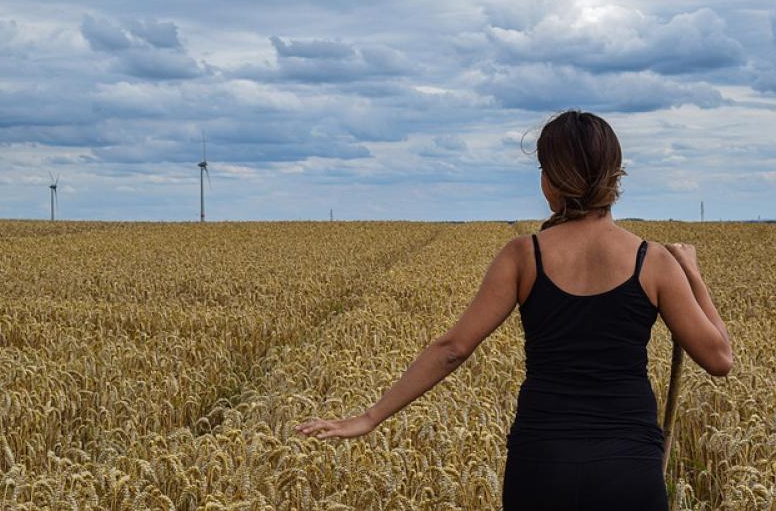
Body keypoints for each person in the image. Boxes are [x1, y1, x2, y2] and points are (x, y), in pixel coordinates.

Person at [294, 109, 733, 510]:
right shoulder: (652, 260)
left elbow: (452, 348)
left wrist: (369, 418)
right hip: (629, 467)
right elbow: (719, 359)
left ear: (551, 180)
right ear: (615, 176)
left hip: (542, 465)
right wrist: (692, 274)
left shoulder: (524, 256)